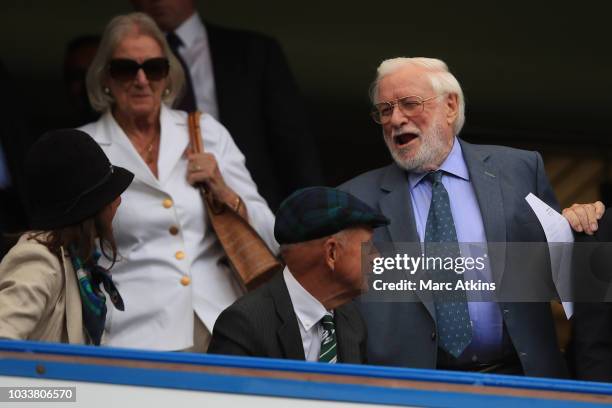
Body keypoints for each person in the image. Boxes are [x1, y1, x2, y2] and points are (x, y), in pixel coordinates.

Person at [339, 57, 604, 377]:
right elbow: (347, 305)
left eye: (410, 104)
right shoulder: (355, 200)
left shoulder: (520, 170)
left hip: (519, 377)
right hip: (413, 386)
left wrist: (580, 223)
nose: (396, 119)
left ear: (450, 106)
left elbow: (559, 270)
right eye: (385, 110)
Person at [80, 12, 277, 352]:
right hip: (133, 333)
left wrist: (224, 190)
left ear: (168, 77)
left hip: (223, 324)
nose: (142, 80)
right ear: (106, 78)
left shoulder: (206, 133)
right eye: (127, 68)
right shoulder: (84, 148)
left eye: (154, 68)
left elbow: (272, 236)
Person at [131, 0, 324, 211]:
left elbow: (294, 144)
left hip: (252, 205)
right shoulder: (118, 63)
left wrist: (313, 217)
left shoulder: (254, 51)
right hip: (155, 209)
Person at [208, 187, 388, 363]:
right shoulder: (243, 325)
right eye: (367, 246)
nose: (377, 257)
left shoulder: (351, 320)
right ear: (332, 253)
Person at [0, 129, 133, 344]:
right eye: (109, 194)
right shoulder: (38, 260)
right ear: (88, 209)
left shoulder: (78, 261)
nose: (118, 200)